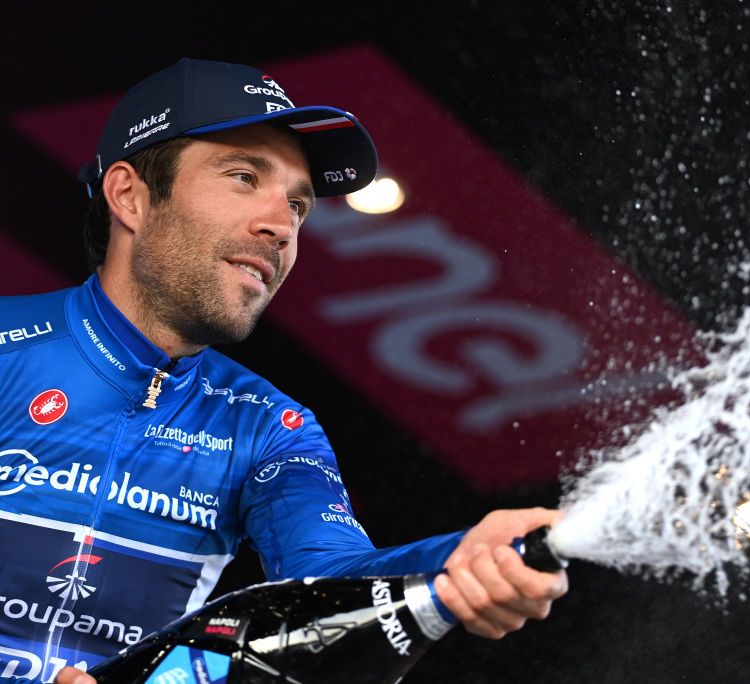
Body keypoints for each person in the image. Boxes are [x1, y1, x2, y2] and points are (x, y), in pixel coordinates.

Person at [0, 58, 567, 684]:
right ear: (131, 196)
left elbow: (327, 585)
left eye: (298, 206)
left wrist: (458, 559)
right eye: (244, 176)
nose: (281, 227)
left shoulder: (271, 426)